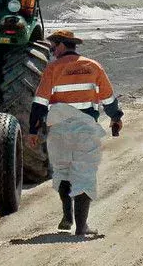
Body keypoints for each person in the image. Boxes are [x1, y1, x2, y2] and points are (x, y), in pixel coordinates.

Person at [27, 29, 124, 235]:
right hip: (85, 129)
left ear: (62, 45)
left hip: (59, 129)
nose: (52, 50)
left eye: (53, 46)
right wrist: (116, 118)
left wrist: (33, 131)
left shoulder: (53, 69)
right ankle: (82, 226)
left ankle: (67, 215)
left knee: (63, 170)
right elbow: (108, 99)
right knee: (84, 173)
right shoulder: (93, 66)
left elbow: (40, 103)